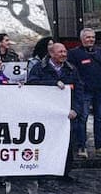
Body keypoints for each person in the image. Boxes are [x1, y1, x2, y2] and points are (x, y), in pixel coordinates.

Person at [28, 42, 82, 177]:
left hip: (66, 114)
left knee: (66, 142)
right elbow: (32, 84)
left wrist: (76, 109)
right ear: (51, 54)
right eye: (61, 52)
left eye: (65, 52)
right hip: (46, 112)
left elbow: (79, 91)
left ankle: (65, 172)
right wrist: (53, 84)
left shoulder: (71, 69)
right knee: (45, 141)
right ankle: (43, 172)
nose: (64, 54)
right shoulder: (39, 68)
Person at [68, 28, 101, 159]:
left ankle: (100, 147)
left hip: (100, 91)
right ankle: (82, 146)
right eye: (88, 37)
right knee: (83, 119)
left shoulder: (100, 53)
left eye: (92, 37)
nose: (91, 39)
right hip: (84, 93)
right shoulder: (74, 53)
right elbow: (72, 71)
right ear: (82, 39)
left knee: (100, 118)